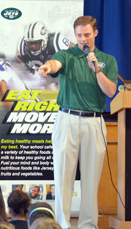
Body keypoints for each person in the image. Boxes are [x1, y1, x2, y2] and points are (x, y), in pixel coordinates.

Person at [39, 15, 118, 229]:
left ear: (95, 34)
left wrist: (96, 69)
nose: (83, 39)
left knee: (91, 179)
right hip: (67, 119)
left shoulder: (107, 60)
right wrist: (48, 66)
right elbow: (56, 64)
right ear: (75, 36)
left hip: (94, 121)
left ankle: (88, 225)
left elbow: (111, 91)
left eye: (87, 34)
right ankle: (62, 225)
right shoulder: (67, 55)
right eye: (79, 35)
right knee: (63, 177)